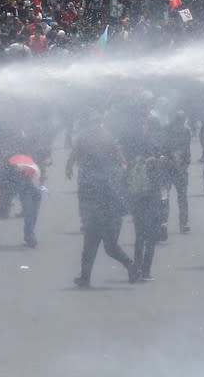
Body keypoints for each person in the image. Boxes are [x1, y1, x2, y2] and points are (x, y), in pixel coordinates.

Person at [66, 111, 139, 287]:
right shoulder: (107, 137)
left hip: (98, 205)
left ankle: (89, 276)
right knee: (105, 246)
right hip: (107, 206)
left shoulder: (84, 138)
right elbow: (121, 161)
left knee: (95, 244)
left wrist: (68, 169)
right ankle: (88, 277)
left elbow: (73, 156)